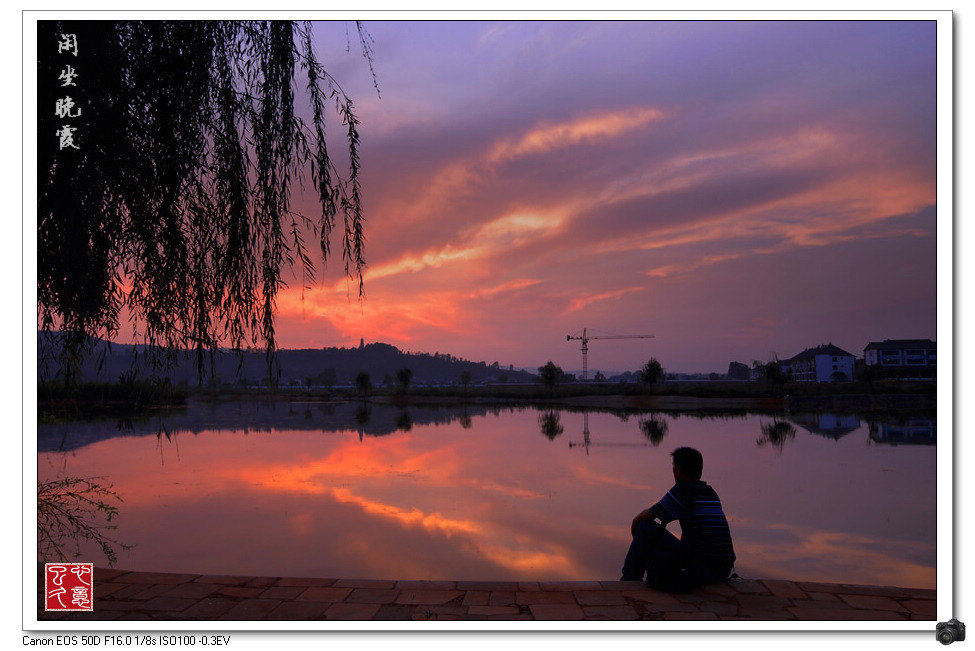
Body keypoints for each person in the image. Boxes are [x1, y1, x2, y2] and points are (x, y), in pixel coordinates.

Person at [620, 447, 736, 591]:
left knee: (645, 527)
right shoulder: (710, 492)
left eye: (674, 466)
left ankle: (629, 579)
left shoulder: (682, 491)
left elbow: (642, 519)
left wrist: (639, 540)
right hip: (722, 570)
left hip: (702, 569)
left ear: (679, 469)